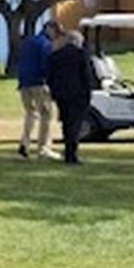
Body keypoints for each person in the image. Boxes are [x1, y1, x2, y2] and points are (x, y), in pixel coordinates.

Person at [47, 23, 94, 164]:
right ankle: (72, 154)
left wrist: (54, 92)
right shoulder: (81, 55)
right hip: (78, 94)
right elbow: (87, 75)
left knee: (66, 124)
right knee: (76, 124)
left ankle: (68, 151)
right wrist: (88, 92)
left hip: (61, 95)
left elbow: (50, 76)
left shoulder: (55, 55)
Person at [15, 20, 56, 156]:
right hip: (39, 82)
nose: (55, 35)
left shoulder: (27, 42)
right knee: (46, 114)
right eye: (55, 31)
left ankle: (24, 142)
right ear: (49, 29)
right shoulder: (45, 44)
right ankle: (43, 147)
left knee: (31, 113)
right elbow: (46, 64)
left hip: (23, 82)